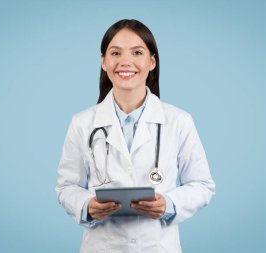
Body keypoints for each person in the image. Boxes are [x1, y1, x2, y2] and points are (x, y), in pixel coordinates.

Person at [55, 19, 215, 253]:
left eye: (137, 52)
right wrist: (86, 206)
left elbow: (202, 185)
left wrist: (169, 205)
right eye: (115, 53)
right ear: (103, 61)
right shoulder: (82, 123)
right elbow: (67, 186)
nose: (125, 61)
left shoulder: (179, 121)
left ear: (152, 62)